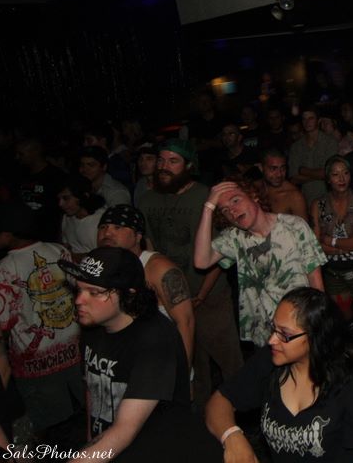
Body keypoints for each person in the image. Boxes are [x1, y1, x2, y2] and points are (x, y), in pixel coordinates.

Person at [61, 247, 220, 463]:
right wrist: (92, 439)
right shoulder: (94, 325)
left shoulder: (155, 339)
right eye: (78, 289)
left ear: (129, 294)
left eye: (94, 292)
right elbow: (92, 388)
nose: (79, 300)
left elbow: (125, 430)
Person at [206, 288, 353, 462]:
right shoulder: (271, 359)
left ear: (316, 336)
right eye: (274, 328)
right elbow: (219, 401)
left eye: (285, 334)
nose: (272, 340)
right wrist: (232, 436)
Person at [138, 139, 242, 409]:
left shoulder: (205, 197)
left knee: (228, 360)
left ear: (188, 166)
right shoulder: (147, 200)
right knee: (192, 362)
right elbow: (149, 245)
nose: (164, 166)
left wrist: (202, 294)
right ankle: (200, 416)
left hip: (210, 296)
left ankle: (243, 413)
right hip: (171, 299)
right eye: (161, 160)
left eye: (173, 161)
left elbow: (221, 250)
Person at [194, 179, 326, 348]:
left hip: (301, 324)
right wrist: (208, 208)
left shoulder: (294, 226)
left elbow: (315, 280)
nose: (232, 211)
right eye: (225, 210)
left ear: (253, 196)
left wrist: (320, 322)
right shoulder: (234, 237)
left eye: (236, 200)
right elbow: (201, 262)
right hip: (265, 333)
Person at [0, 203, 82, 441]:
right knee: (82, 414)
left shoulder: (3, 270)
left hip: (35, 366)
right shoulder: (59, 250)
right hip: (75, 352)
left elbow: (3, 325)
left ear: (9, 234)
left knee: (43, 426)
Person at [96, 204, 195, 365]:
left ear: (138, 236)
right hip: (124, 361)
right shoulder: (103, 265)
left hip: (159, 361)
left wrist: (182, 371)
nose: (107, 233)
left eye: (118, 227)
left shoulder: (158, 268)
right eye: (103, 227)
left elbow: (186, 322)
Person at [311, 156, 353, 339]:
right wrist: (345, 246)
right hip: (333, 273)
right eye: (335, 174)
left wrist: (330, 241)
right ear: (328, 178)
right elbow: (316, 245)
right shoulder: (318, 205)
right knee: (346, 320)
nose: (342, 179)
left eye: (345, 173)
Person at [15, 136, 66, 242]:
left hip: (47, 234)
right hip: (24, 233)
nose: (17, 157)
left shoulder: (56, 176)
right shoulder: (21, 175)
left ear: (35, 152)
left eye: (21, 154)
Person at [289, 107, 340, 205]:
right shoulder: (296, 146)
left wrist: (303, 170)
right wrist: (321, 175)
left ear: (318, 120)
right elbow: (294, 178)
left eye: (311, 118)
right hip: (304, 200)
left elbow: (330, 173)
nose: (307, 122)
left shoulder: (330, 142)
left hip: (328, 199)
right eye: (304, 119)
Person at [58, 174, 107, 259]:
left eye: (66, 198)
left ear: (84, 196)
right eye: (59, 199)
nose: (60, 204)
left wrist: (74, 256)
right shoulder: (67, 218)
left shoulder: (102, 219)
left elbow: (105, 255)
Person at [258, 147, 308, 219]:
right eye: (273, 169)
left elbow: (303, 226)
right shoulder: (255, 188)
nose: (279, 174)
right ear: (261, 168)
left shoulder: (294, 197)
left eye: (283, 168)